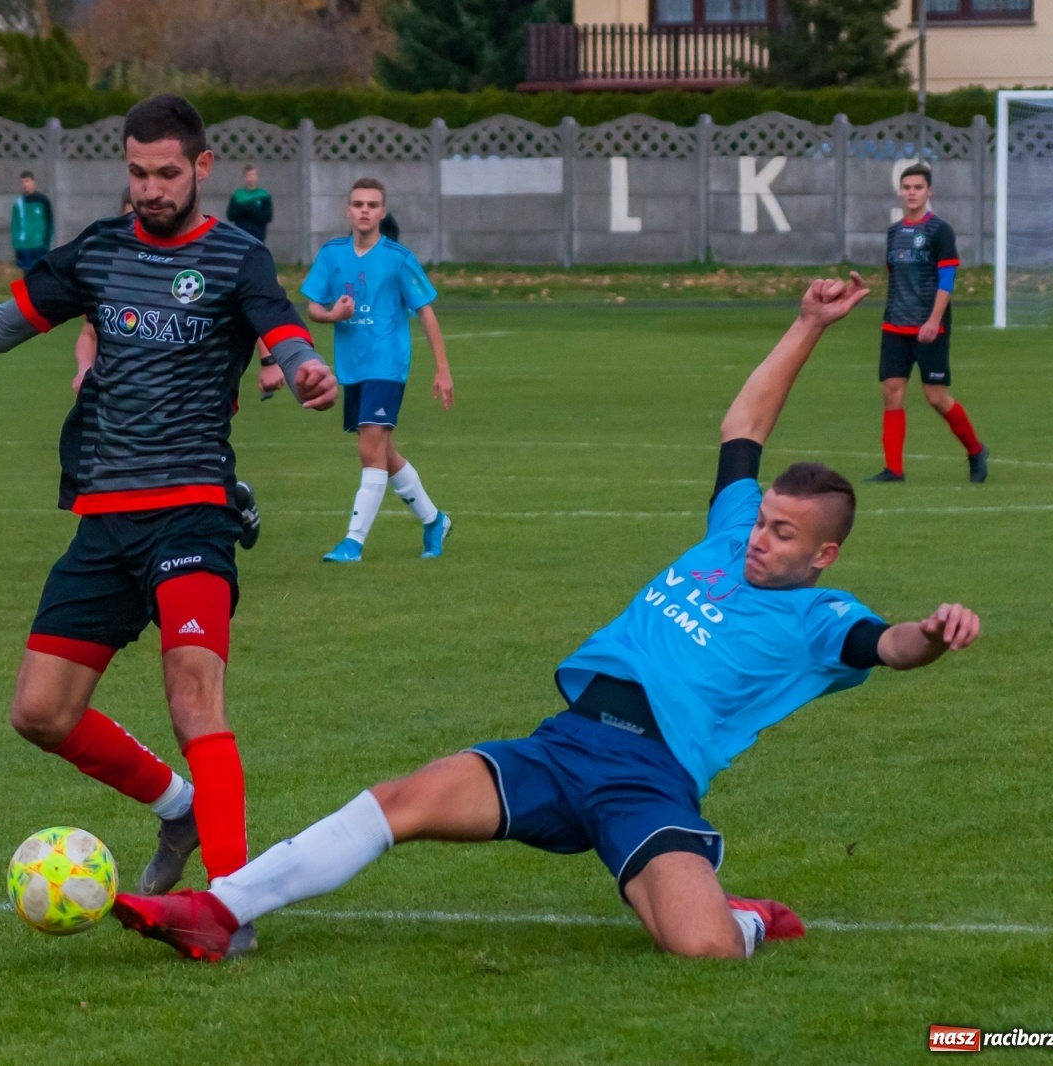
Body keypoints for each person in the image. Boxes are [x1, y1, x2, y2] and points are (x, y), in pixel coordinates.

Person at [110, 272, 983, 963]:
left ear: (822, 556)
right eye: (761, 520)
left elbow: (892, 646)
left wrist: (933, 633)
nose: (759, 538)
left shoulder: (826, 618)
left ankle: (740, 916)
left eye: (782, 533)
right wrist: (809, 325)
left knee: (703, 948)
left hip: (649, 781)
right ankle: (217, 912)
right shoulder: (728, 535)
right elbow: (745, 421)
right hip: (564, 743)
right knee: (402, 799)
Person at [0, 95, 339, 960]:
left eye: (165, 173)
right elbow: (3, 325)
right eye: (136, 172)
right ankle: (180, 811)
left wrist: (306, 369)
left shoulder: (236, 257)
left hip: (192, 509)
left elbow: (284, 331)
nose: (149, 189)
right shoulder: (101, 250)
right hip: (104, 520)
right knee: (40, 712)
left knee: (195, 693)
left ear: (202, 167)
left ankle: (229, 907)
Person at [301, 177, 453, 562]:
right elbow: (313, 307)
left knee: (369, 450)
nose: (364, 210)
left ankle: (353, 542)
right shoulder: (332, 255)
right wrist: (332, 314)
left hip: (387, 365)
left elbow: (426, 312)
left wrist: (442, 368)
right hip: (353, 368)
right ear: (347, 210)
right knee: (384, 453)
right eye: (358, 204)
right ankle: (434, 521)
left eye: (372, 204)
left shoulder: (399, 259)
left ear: (382, 212)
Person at [868, 164, 988, 484]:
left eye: (918, 187)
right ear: (900, 191)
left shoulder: (939, 231)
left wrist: (933, 320)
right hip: (894, 325)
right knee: (892, 392)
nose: (912, 192)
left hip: (929, 327)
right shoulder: (894, 233)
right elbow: (896, 277)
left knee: (935, 396)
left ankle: (976, 451)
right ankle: (893, 470)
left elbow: (947, 278)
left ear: (929, 192)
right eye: (907, 187)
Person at [72, 189, 136, 393]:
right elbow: (88, 334)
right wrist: (83, 370)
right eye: (128, 221)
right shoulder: (109, 275)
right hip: (110, 397)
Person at [11, 171, 55, 278]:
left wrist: (46, 241)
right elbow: (14, 226)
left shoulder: (43, 201)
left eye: (27, 181)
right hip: (24, 246)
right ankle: (24, 295)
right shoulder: (19, 203)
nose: (25, 184)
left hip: (40, 245)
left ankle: (40, 294)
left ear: (33, 182)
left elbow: (50, 222)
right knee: (27, 274)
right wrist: (17, 245)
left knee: (41, 275)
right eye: (23, 182)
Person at [226, 164, 273, 244]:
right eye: (248, 175)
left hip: (258, 236)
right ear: (244, 177)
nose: (251, 178)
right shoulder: (238, 195)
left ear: (257, 177)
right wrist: (244, 210)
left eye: (253, 175)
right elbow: (230, 216)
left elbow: (268, 216)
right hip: (241, 235)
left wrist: (249, 209)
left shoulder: (263, 194)